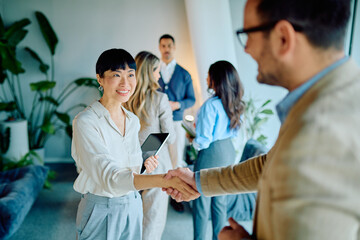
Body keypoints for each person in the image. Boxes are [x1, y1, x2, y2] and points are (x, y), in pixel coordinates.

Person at [164, 0, 360, 239]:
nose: (246, 48)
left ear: (283, 38)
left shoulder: (323, 131)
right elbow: (270, 164)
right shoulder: (321, 98)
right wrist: (199, 180)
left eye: (247, 34)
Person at [71, 48, 198, 240]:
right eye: (116, 75)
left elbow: (130, 165)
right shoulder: (86, 122)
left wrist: (144, 164)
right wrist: (164, 179)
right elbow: (110, 177)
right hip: (102, 207)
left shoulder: (131, 120)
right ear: (100, 79)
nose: (126, 83)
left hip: (133, 202)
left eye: (131, 74)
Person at [189, 60, 245, 240]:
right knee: (219, 202)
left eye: (209, 74)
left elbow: (203, 141)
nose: (206, 78)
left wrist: (193, 141)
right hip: (228, 151)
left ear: (216, 79)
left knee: (201, 203)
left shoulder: (210, 105)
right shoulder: (235, 102)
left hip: (211, 154)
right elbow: (234, 132)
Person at [123, 51, 176, 240]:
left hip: (129, 164)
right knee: (153, 218)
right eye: (157, 71)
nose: (159, 76)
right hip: (156, 164)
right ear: (149, 72)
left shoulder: (125, 98)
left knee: (129, 216)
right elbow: (169, 137)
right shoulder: (160, 99)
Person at [158, 33, 196, 212]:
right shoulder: (154, 70)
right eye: (163, 46)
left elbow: (191, 99)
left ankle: (176, 196)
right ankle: (156, 192)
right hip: (157, 123)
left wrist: (178, 104)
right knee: (156, 157)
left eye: (169, 46)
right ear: (160, 48)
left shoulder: (184, 74)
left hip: (175, 123)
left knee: (176, 160)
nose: (166, 49)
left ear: (174, 48)